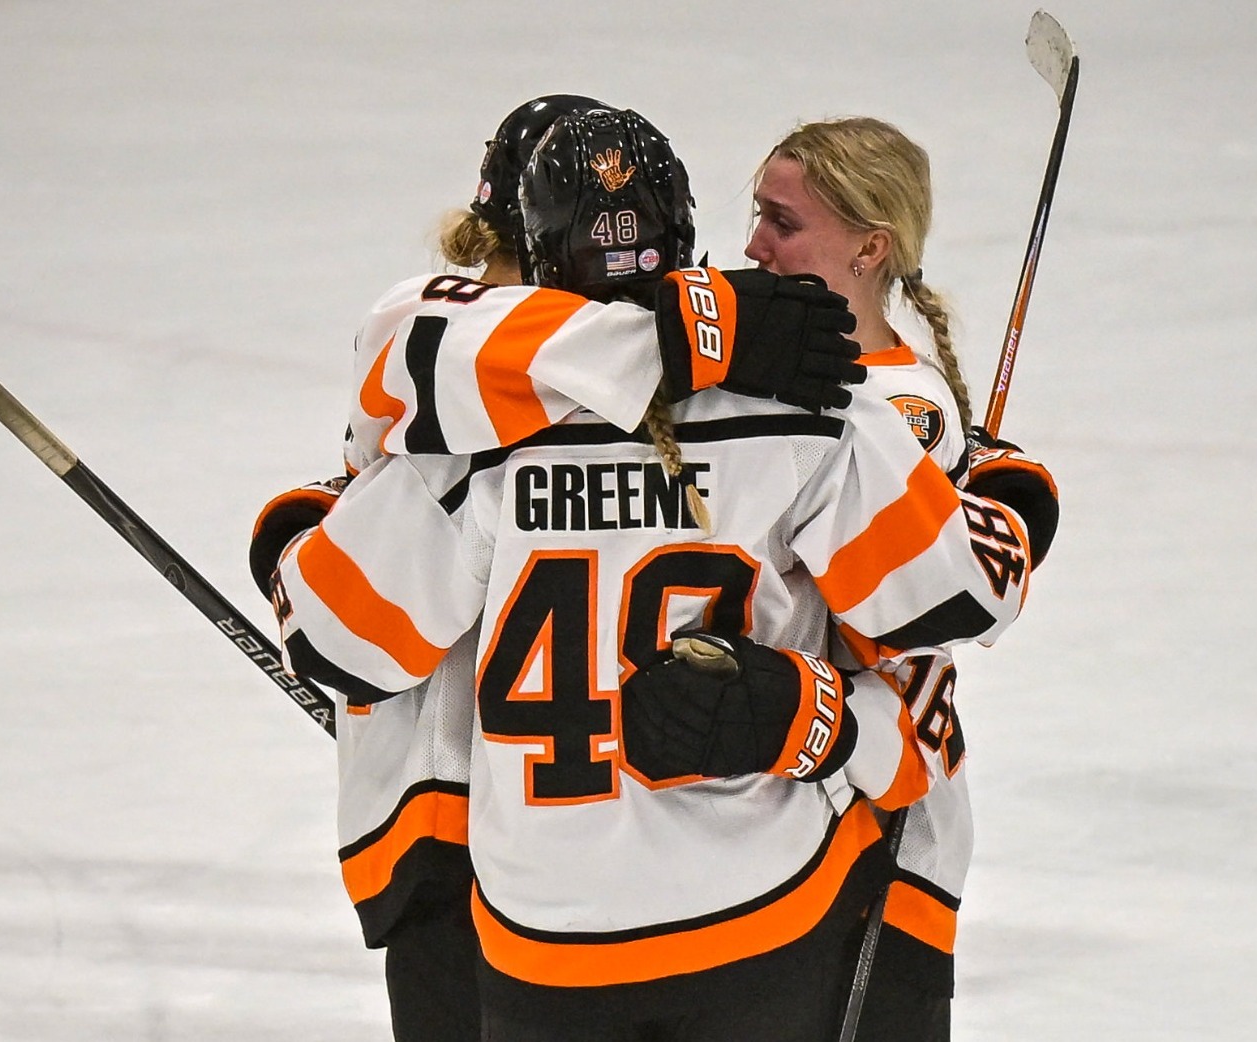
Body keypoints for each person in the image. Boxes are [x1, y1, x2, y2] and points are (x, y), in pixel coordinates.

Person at [265, 106, 1036, 1041]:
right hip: (763, 907)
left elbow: (335, 643)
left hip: (536, 924)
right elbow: (942, 608)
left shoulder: (457, 440)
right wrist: (1006, 506)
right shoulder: (816, 405)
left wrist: (304, 533)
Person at [746, 116, 1060, 1040]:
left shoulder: (894, 409)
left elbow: (902, 616)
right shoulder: (773, 373)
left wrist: (997, 515)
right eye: (756, 215)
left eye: (782, 223)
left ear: (868, 247)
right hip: (775, 803)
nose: (755, 245)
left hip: (869, 832)